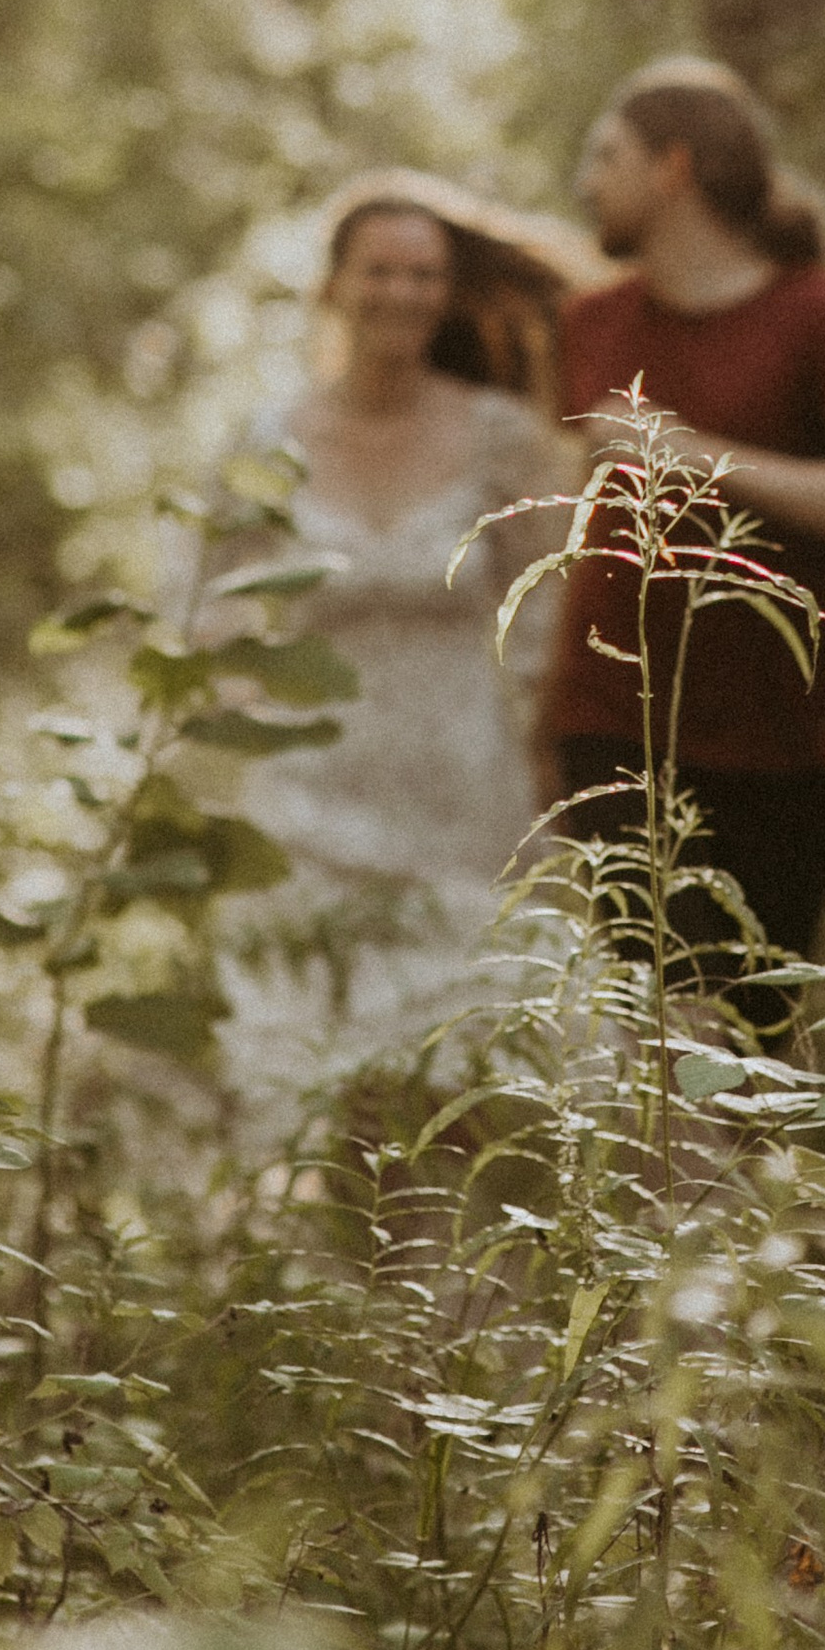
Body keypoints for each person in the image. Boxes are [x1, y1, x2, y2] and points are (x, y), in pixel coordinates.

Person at [540, 60, 825, 992]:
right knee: (665, 1026)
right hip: (612, 730)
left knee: (754, 1037)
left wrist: (693, 455)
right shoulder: (591, 324)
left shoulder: (824, 319)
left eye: (607, 156)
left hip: (784, 745)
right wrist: (541, 717)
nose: (585, 182)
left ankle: (766, 1149)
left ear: (673, 169)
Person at [210, 171, 587, 1093]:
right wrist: (227, 732)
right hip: (305, 814)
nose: (402, 294)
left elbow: (546, 625)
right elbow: (207, 609)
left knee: (465, 1100)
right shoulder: (265, 444)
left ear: (447, 295)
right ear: (334, 287)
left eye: (423, 275)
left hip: (467, 810)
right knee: (312, 1103)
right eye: (379, 271)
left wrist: (561, 792)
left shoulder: (503, 438)